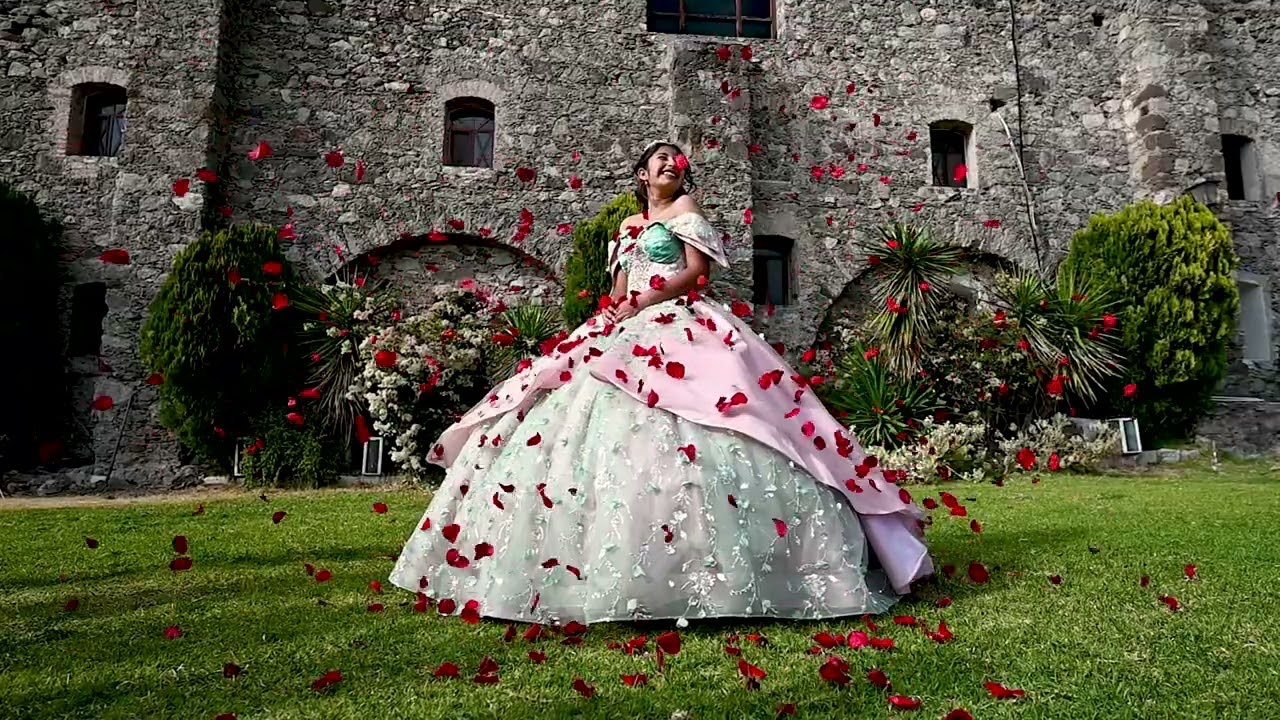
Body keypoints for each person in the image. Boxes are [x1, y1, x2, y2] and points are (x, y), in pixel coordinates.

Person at [389, 141, 933, 624]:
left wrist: (649, 299)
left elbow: (698, 272)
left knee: (731, 416)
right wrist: (620, 309)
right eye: (659, 160)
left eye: (676, 160)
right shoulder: (628, 228)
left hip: (681, 321)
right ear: (642, 176)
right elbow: (621, 285)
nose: (671, 164)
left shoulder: (685, 211)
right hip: (628, 323)